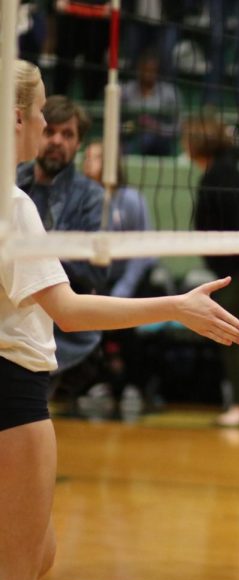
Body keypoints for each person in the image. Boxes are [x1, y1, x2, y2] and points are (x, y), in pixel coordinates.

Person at [0, 59, 239, 580]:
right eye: (42, 111)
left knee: (39, 553)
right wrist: (176, 306)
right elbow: (68, 310)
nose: (47, 124)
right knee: (17, 579)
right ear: (17, 118)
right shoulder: (14, 205)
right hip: (14, 394)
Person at [17, 95, 108, 404]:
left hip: (65, 333)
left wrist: (36, 258)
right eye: (50, 131)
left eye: (67, 134)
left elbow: (97, 270)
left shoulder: (91, 197)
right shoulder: (12, 185)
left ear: (79, 143)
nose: (56, 140)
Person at [184, 113, 239, 428]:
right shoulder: (221, 173)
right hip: (232, 270)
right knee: (236, 333)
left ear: (197, 143)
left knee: (228, 335)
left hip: (238, 271)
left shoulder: (225, 175)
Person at [82, 141, 158, 411]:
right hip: (94, 282)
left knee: (129, 332)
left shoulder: (130, 199)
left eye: (97, 157)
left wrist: (123, 289)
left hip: (130, 281)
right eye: (87, 157)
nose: (90, 162)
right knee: (84, 329)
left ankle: (139, 388)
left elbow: (144, 252)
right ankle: (90, 386)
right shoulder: (82, 199)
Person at [121, 51, 181, 156]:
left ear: (158, 71)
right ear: (138, 70)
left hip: (160, 141)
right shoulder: (125, 91)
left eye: (152, 70)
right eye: (145, 70)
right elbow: (115, 124)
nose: (148, 74)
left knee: (150, 139)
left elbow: (178, 127)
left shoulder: (170, 93)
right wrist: (132, 126)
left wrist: (157, 127)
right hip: (130, 138)